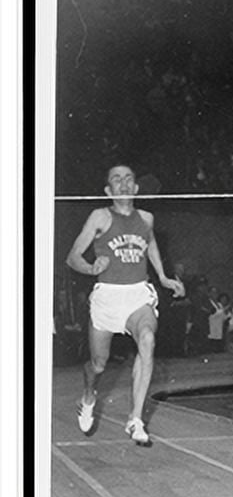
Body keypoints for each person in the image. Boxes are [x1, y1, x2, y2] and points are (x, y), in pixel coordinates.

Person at [65, 164, 185, 445]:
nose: (123, 183)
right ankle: (88, 397)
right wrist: (91, 268)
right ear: (108, 190)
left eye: (128, 178)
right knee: (97, 364)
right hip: (107, 296)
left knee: (147, 338)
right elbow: (73, 258)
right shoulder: (99, 216)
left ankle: (135, 419)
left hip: (137, 294)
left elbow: (151, 244)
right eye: (116, 179)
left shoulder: (146, 217)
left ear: (136, 187)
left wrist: (164, 277)